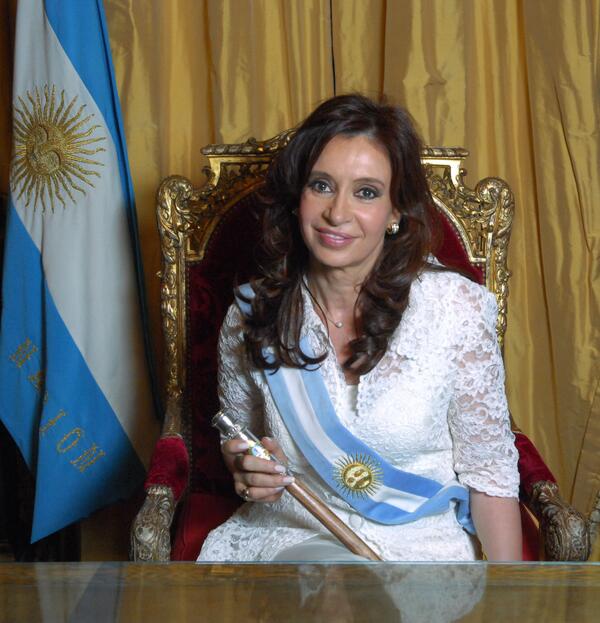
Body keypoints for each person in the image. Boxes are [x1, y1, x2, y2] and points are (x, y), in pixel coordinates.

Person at [197, 94, 522, 563]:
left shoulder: (456, 309)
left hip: (419, 546)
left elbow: (489, 474)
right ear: (297, 197)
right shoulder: (252, 314)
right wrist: (247, 469)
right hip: (295, 538)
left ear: (396, 212)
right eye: (321, 185)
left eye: (366, 192)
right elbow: (238, 441)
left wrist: (511, 595)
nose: (338, 213)